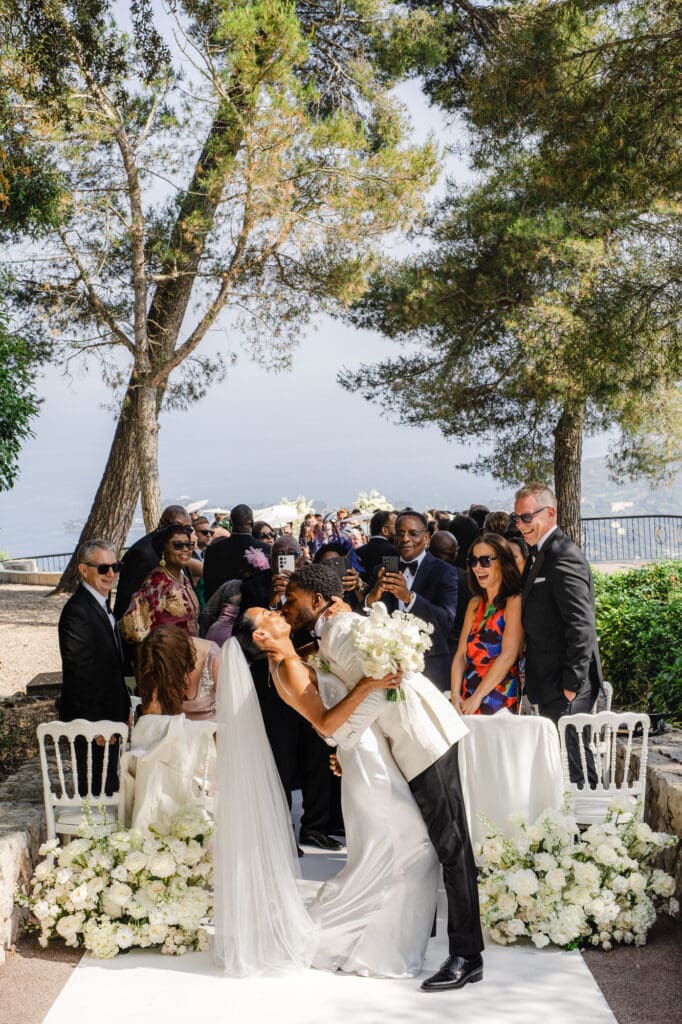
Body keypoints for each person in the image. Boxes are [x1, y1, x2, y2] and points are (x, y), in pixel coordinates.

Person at [283, 572, 484, 992]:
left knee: (452, 845)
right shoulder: (333, 630)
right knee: (435, 841)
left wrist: (341, 741)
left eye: (292, 597)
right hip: (405, 743)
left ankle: (467, 956)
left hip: (422, 738)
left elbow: (378, 689)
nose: (287, 603)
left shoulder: (339, 629)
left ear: (318, 598)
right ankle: (426, 934)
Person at [214, 606, 438, 978]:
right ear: (261, 636)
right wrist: (369, 685)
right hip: (362, 762)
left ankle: (375, 944)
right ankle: (355, 944)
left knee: (390, 851)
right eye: (266, 613)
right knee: (410, 846)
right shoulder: (287, 668)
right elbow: (325, 722)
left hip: (361, 757)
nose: (275, 610)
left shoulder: (295, 660)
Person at [239, 541, 342, 852]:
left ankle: (315, 828)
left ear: (301, 559)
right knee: (279, 762)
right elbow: (245, 639)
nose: (286, 562)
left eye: (293, 555)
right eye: (280, 555)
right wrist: (273, 599)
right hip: (273, 689)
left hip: (311, 684)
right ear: (270, 560)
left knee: (318, 757)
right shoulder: (255, 587)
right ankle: (281, 832)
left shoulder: (310, 592)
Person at [513, 482, 602, 784]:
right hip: (548, 682)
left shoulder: (563, 554)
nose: (521, 525)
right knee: (562, 763)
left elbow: (581, 624)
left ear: (549, 514)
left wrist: (572, 684)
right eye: (517, 518)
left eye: (527, 517)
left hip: (566, 686)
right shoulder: (540, 552)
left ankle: (593, 827)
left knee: (577, 763)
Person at [58, 540, 132, 796]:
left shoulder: (101, 603)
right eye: (103, 568)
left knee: (110, 788)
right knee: (95, 795)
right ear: (83, 569)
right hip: (92, 724)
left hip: (111, 717)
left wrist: (124, 705)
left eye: (115, 566)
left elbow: (110, 665)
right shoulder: (77, 612)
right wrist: (95, 724)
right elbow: (79, 672)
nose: (111, 574)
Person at [365, 510, 458, 691]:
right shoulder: (381, 570)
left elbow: (446, 621)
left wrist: (409, 598)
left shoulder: (444, 571)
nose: (405, 539)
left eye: (413, 533)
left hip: (431, 671)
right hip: (388, 672)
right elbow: (366, 620)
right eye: (399, 533)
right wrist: (371, 598)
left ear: (426, 538)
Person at [450, 533, 523, 715]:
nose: (477, 567)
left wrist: (478, 697)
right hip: (468, 694)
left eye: (485, 561)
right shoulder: (474, 604)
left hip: (498, 695)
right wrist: (455, 695)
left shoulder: (513, 601)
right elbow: (460, 655)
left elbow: (509, 654)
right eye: (473, 561)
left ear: (503, 562)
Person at [119, 523, 200, 644]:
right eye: (178, 545)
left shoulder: (183, 579)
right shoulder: (158, 582)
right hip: (169, 656)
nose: (185, 549)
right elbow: (133, 631)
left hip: (189, 653)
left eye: (189, 544)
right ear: (164, 550)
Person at [113, 505, 192, 620]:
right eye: (177, 527)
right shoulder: (142, 554)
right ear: (162, 524)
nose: (183, 532)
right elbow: (129, 603)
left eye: (188, 529)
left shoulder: (182, 553)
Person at [136, 624, 220, 721]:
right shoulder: (153, 662)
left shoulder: (214, 660)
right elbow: (151, 717)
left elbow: (230, 718)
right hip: (172, 732)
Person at [203, 504, 269, 600]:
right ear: (252, 524)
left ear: (230, 523)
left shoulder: (213, 549)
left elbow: (208, 588)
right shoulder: (265, 549)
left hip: (221, 608)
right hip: (256, 610)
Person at [354, 510, 397, 577]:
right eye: (396, 528)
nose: (398, 532)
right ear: (385, 530)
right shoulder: (392, 551)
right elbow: (390, 579)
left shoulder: (357, 552)